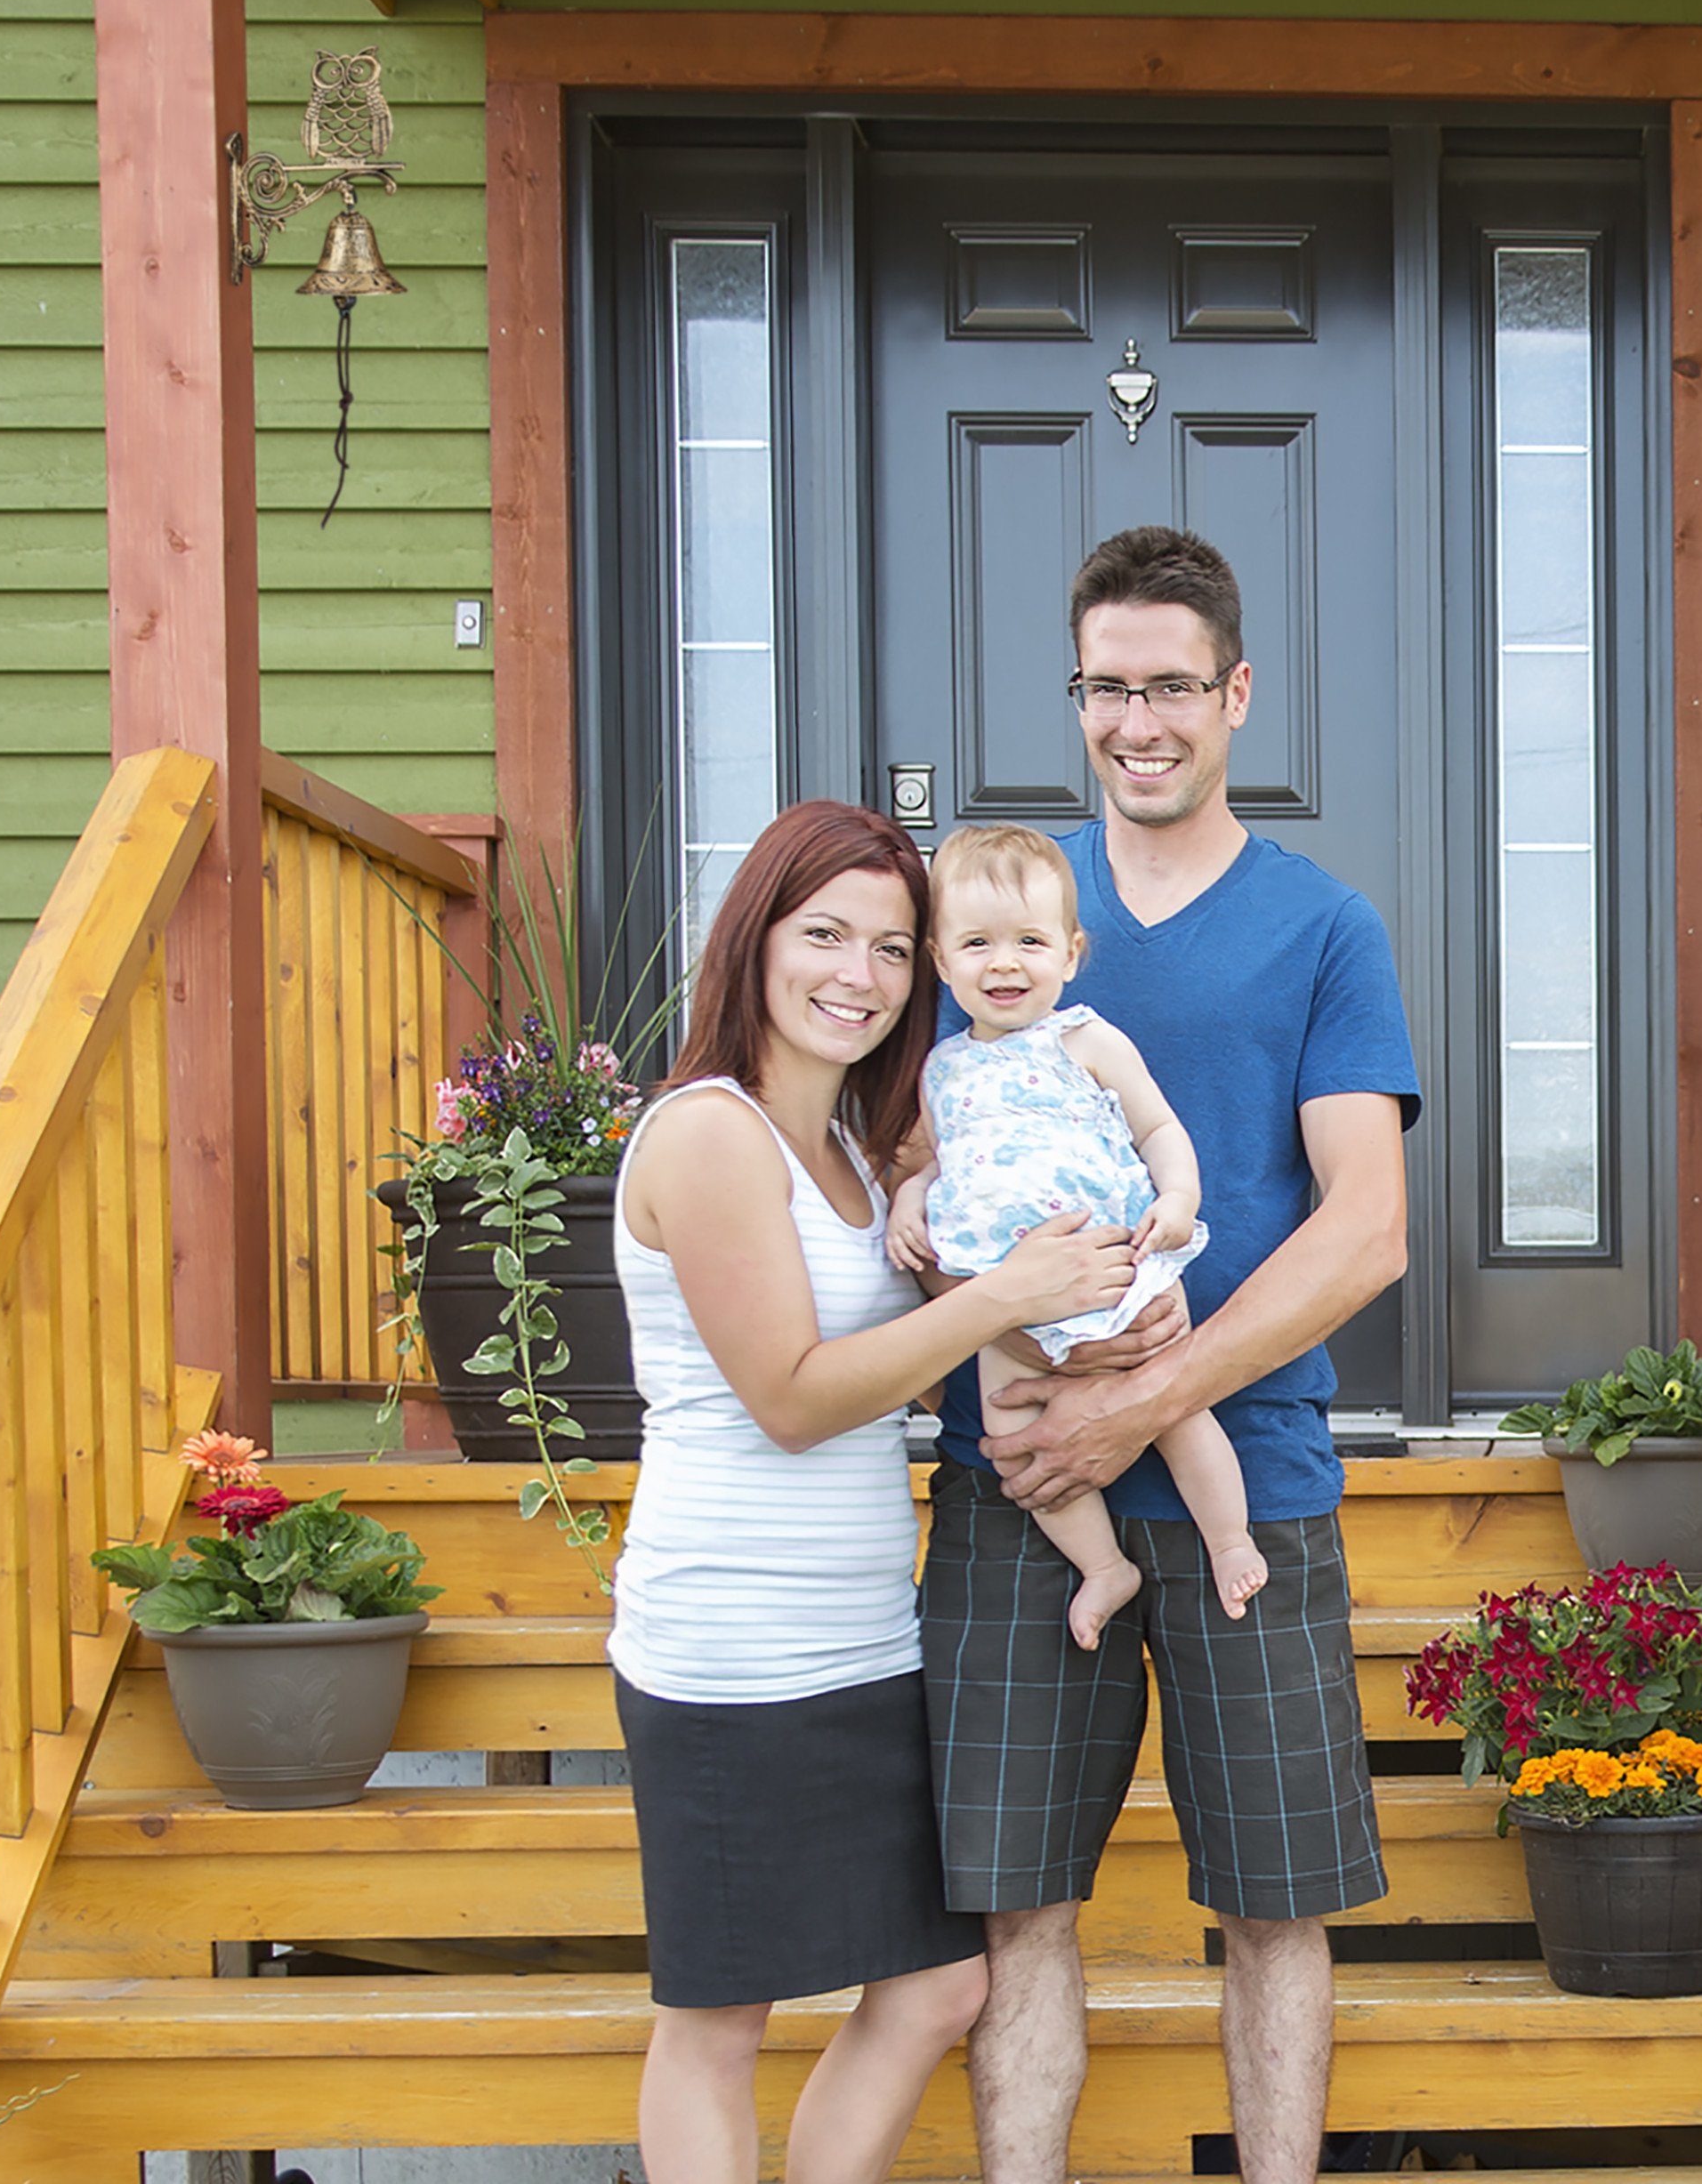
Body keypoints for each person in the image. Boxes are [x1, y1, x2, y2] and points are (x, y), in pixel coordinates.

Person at [916, 528, 1421, 2184]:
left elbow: (1366, 1229)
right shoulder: (1005, 912)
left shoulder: (1323, 927)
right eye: (1107, 686)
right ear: (1078, 698)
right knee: (1018, 1906)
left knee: (1273, 1911)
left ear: (1237, 696)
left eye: (1172, 687)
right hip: (1023, 1482)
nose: (1140, 720)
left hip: (1243, 1489)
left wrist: (1147, 1400)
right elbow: (926, 1166)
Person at [608, 799, 1138, 2184]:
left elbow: (906, 1366)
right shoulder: (708, 1134)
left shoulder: (849, 1147)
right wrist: (1004, 1300)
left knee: (935, 1989)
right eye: (824, 934)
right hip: (732, 1644)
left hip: (858, 1635)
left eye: (895, 950)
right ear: (756, 941)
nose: (859, 973)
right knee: (720, 2021)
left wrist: (1071, 1330)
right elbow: (791, 1396)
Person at [885, 822, 1267, 1650]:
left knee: (1177, 1406)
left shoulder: (1085, 1040)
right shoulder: (942, 1068)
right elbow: (940, 1162)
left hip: (1115, 1267)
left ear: (1070, 951)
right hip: (1006, 1301)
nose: (1005, 963)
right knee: (1014, 1438)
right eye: (977, 943)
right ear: (941, 961)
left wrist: (1179, 1196)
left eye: (1029, 941)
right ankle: (1102, 1566)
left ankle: (1228, 1535)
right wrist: (910, 1201)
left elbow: (1158, 1125)